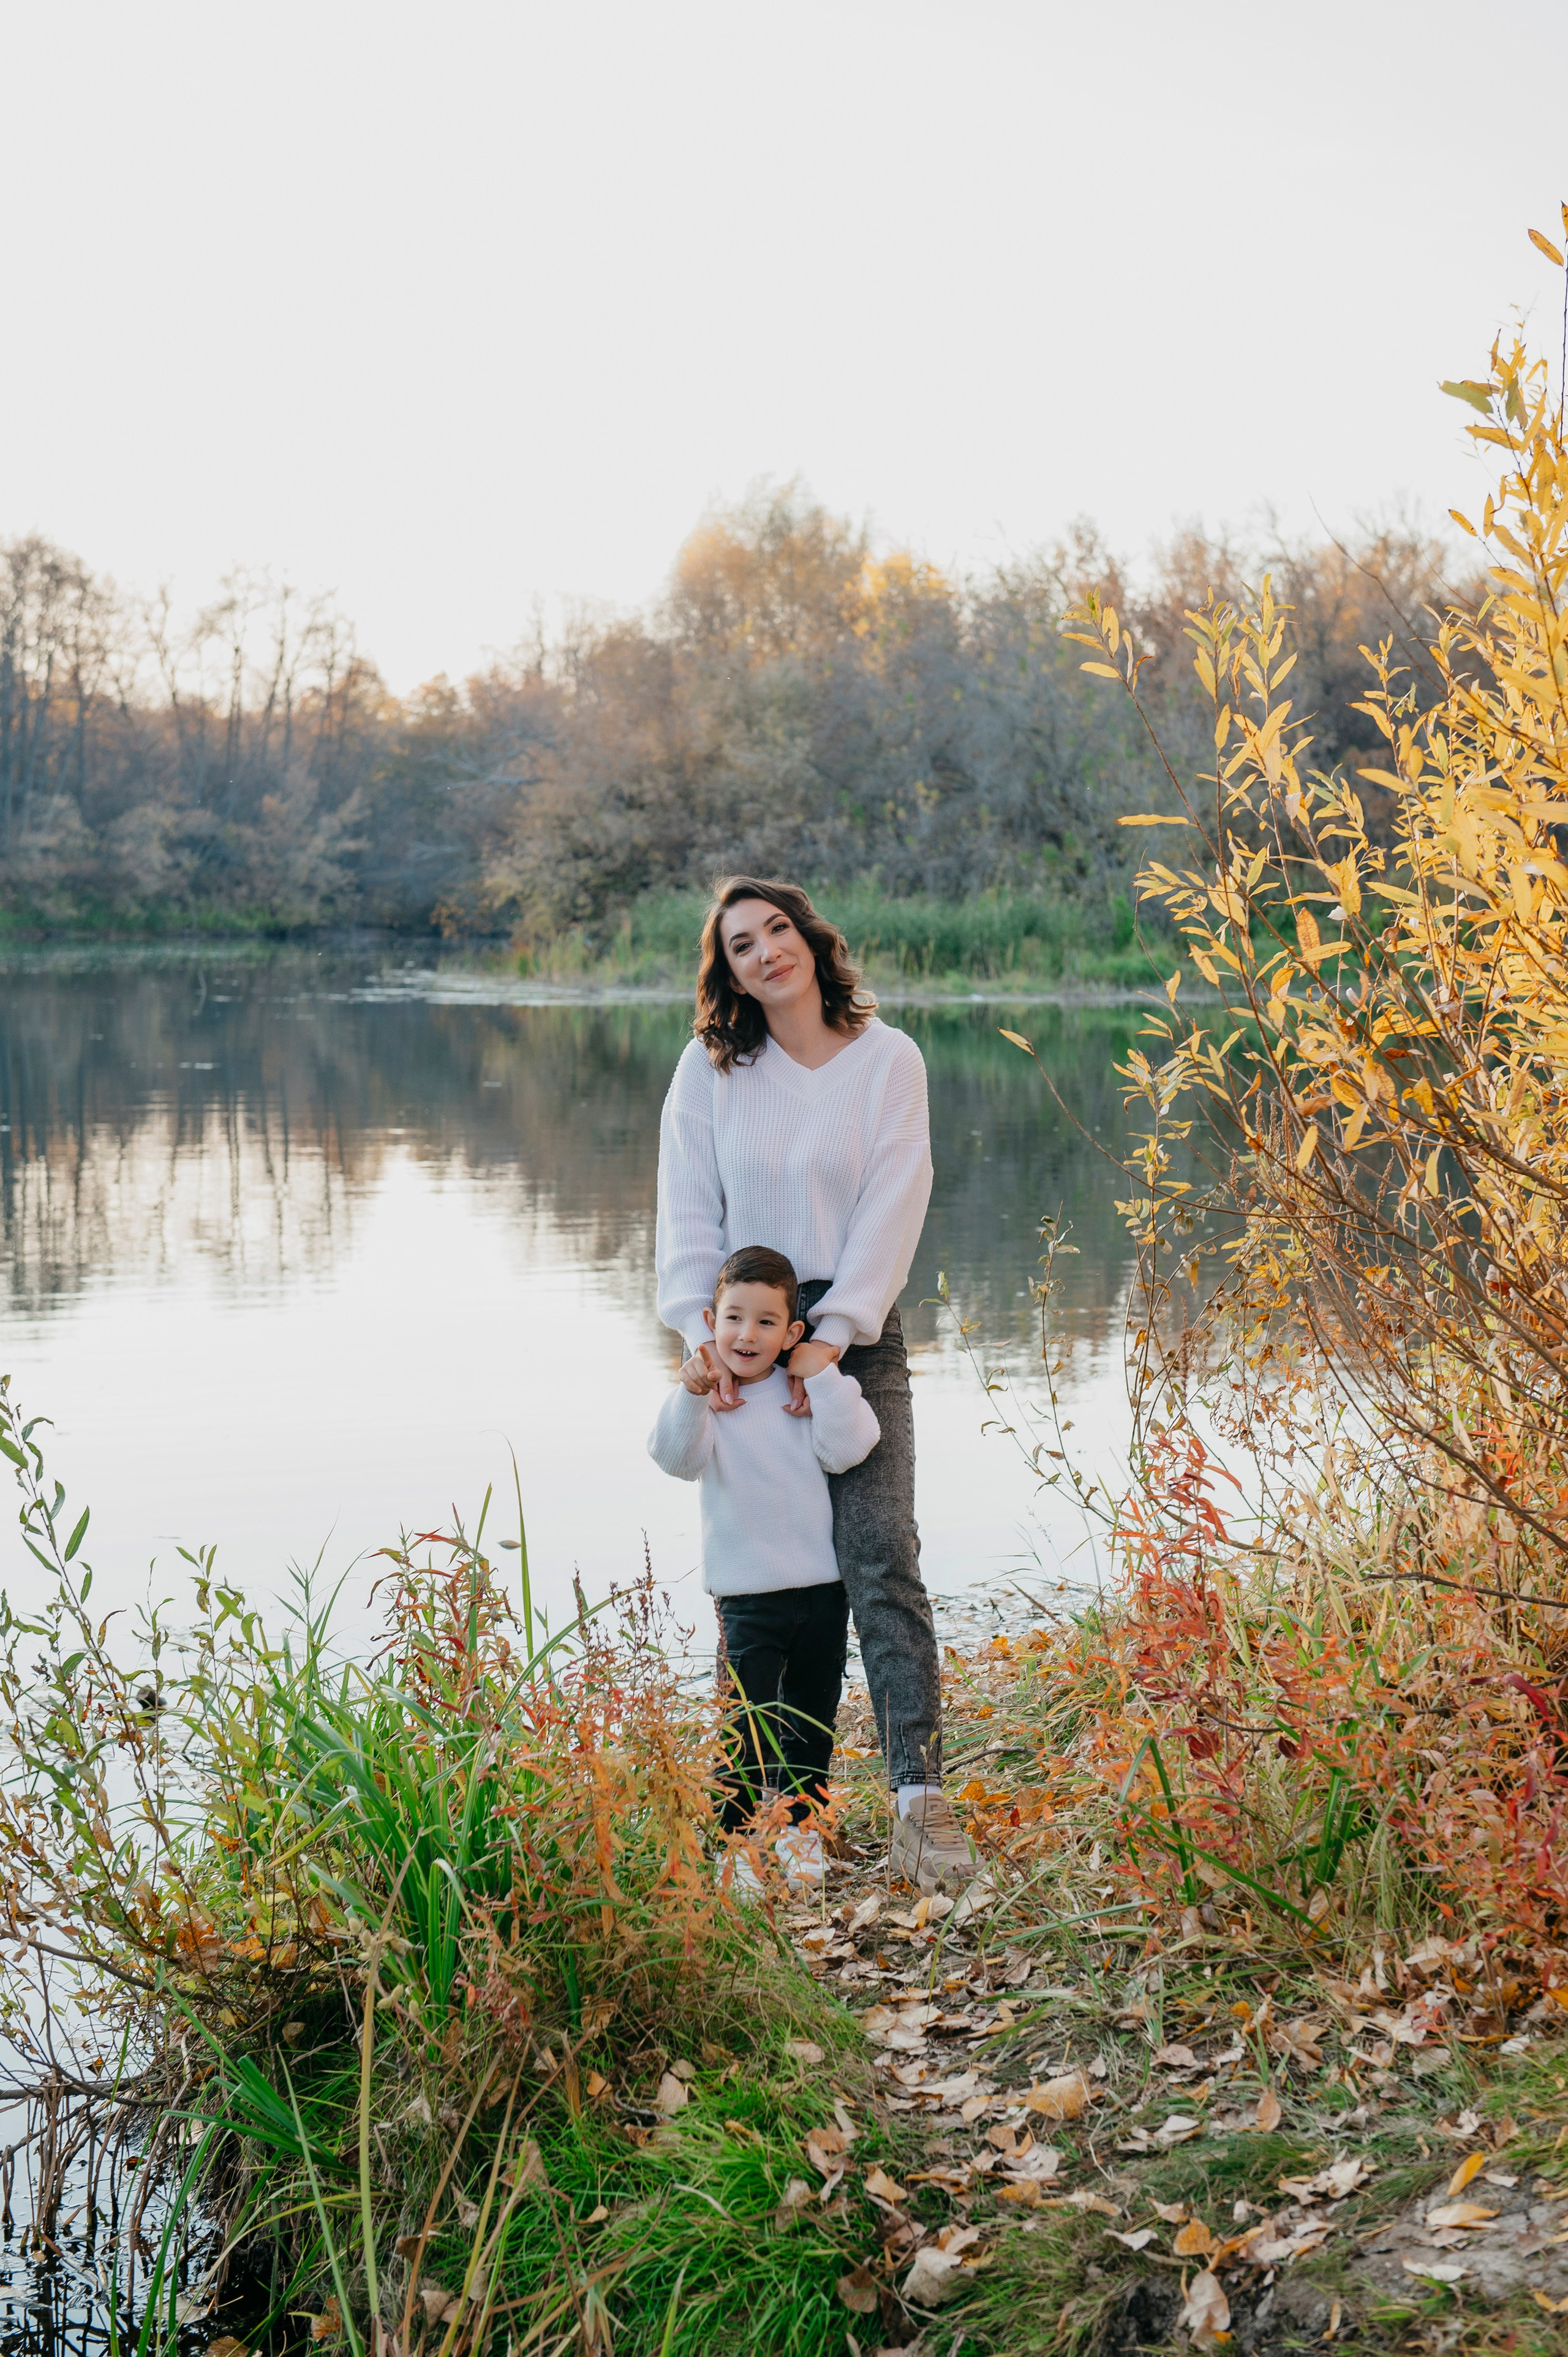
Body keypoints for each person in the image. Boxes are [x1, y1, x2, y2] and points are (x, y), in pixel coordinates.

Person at [655, 875, 978, 1891]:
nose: (763, 953)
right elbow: (685, 1203)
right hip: (745, 1335)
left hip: (856, 1331)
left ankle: (919, 1799)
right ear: (731, 972)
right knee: (762, 1579)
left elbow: (899, 1195)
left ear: (809, 936)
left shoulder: (890, 1061)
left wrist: (833, 1334)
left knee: (879, 1551)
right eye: (740, 944)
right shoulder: (713, 1068)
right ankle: (750, 1823)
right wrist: (697, 1330)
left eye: (775, 930)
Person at [648, 1244, 879, 1885]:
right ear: (709, 1320)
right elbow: (674, 1459)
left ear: (792, 1332)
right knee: (744, 1723)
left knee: (811, 1714)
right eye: (733, 1318)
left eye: (766, 1321)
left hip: (821, 1588)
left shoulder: (804, 1391)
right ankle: (736, 1841)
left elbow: (851, 1447)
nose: (747, 1334)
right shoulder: (711, 1397)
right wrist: (690, 1393)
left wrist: (825, 1374)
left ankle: (802, 1830)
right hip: (747, 1595)